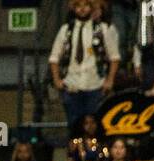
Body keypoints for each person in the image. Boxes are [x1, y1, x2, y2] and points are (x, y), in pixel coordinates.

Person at [49, 0, 120, 134]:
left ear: (91, 7)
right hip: (71, 86)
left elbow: (114, 57)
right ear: (73, 8)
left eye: (85, 5)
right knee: (74, 127)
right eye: (78, 6)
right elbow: (54, 57)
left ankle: (94, 153)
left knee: (96, 127)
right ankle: (75, 153)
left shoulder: (102, 29)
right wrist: (57, 79)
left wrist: (109, 80)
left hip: (95, 85)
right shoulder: (66, 30)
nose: (82, 9)